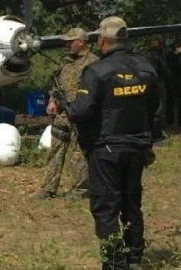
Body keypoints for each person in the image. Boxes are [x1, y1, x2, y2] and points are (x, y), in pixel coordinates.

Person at [67, 16, 159, 270]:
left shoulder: (96, 71)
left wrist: (68, 106)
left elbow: (80, 112)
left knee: (106, 208)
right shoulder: (146, 67)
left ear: (102, 39)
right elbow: (155, 108)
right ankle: (134, 258)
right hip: (138, 147)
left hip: (106, 149)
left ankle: (114, 262)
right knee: (132, 203)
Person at [33, 27, 98, 200]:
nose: (67, 45)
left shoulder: (94, 63)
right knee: (55, 150)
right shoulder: (66, 62)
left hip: (81, 114)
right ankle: (48, 188)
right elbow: (58, 84)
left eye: (71, 41)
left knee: (78, 154)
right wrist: (53, 100)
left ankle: (80, 190)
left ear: (81, 41)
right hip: (62, 114)